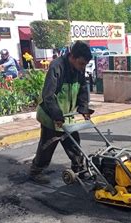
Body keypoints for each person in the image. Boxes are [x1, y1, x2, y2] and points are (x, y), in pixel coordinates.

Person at [29, 41, 93, 184]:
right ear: (72, 57)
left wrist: (83, 108)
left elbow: (83, 88)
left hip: (67, 114)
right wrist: (57, 115)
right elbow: (48, 95)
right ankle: (36, 171)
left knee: (74, 143)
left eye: (85, 64)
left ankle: (79, 170)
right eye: (82, 63)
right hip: (51, 114)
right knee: (48, 145)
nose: (83, 67)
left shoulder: (79, 69)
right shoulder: (57, 66)